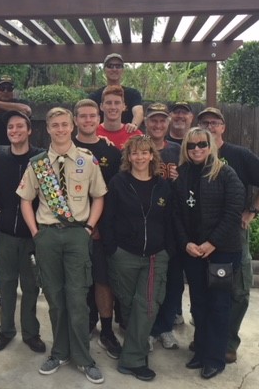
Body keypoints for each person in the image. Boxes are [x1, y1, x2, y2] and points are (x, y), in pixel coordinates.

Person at [17, 107, 107, 384]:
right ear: (48, 128)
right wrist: (35, 232)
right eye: (54, 125)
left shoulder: (87, 159)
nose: (60, 129)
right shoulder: (38, 164)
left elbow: (99, 196)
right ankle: (59, 352)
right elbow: (25, 200)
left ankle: (83, 357)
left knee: (78, 299)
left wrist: (89, 227)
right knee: (55, 298)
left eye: (64, 124)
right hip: (48, 236)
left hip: (77, 235)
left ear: (72, 126)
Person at [100, 135, 173, 382]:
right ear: (128, 157)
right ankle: (136, 348)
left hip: (155, 255)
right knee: (129, 305)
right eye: (134, 153)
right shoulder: (119, 182)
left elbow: (169, 221)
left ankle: (132, 360)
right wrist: (112, 248)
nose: (139, 157)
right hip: (124, 254)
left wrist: (168, 249)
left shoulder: (163, 186)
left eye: (144, 153)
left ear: (152, 155)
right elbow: (107, 219)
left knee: (148, 305)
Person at [173, 127, 244, 380]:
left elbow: (234, 211)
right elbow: (176, 216)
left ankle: (215, 358)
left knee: (219, 304)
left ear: (210, 145)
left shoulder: (225, 173)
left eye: (201, 144)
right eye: (191, 146)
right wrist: (186, 244)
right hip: (193, 252)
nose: (197, 149)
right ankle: (201, 352)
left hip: (221, 253)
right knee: (199, 304)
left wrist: (212, 243)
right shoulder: (181, 175)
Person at [197, 107, 259, 364]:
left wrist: (253, 210)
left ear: (223, 127)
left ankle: (228, 340)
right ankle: (206, 336)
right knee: (205, 287)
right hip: (203, 233)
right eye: (204, 122)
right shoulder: (195, 154)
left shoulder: (239, 155)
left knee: (237, 288)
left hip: (234, 233)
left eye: (215, 122)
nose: (210, 126)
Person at [0, 110, 46, 354]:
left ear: (29, 130)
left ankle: (31, 333)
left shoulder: (42, 159)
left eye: (20, 126)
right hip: (6, 234)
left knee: (31, 286)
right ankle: (6, 329)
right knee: (7, 284)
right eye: (11, 127)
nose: (15, 131)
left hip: (34, 234)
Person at [72, 99, 122, 359]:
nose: (88, 120)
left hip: (102, 228)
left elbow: (115, 194)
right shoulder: (64, 147)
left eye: (93, 116)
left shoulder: (111, 152)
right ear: (76, 119)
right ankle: (83, 323)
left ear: (98, 117)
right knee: (77, 281)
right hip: (71, 228)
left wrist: (101, 226)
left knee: (103, 279)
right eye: (83, 116)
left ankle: (106, 331)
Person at [143, 103, 185, 351]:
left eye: (162, 121)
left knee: (173, 280)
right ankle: (147, 328)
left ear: (168, 123)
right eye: (153, 120)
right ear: (146, 122)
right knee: (148, 280)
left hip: (174, 224)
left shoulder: (179, 151)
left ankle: (165, 327)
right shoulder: (138, 148)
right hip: (148, 223)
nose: (158, 125)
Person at [89, 53, 144, 132]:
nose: (114, 69)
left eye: (118, 66)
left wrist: (134, 126)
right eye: (110, 66)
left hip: (127, 136)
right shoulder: (94, 96)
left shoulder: (133, 94)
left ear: (122, 70)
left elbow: (138, 112)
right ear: (104, 69)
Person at [96, 85, 143, 149]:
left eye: (117, 103)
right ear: (101, 106)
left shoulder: (135, 135)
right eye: (109, 103)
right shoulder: (93, 133)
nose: (113, 107)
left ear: (124, 106)